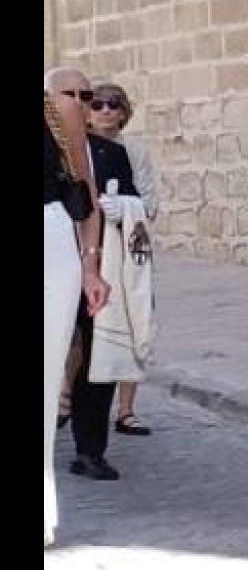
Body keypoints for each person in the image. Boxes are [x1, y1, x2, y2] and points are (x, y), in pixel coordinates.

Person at [44, 69, 112, 547]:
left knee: (46, 382)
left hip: (51, 245)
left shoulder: (56, 110)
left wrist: (91, 267)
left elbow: (84, 195)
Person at [67, 99, 142, 483]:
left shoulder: (111, 152)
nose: (81, 104)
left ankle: (90, 450)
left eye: (86, 95)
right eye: (74, 95)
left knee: (100, 357)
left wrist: (122, 207)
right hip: (56, 266)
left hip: (99, 270)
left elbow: (136, 201)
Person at [87, 81, 159, 437]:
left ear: (124, 110)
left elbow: (151, 203)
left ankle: (126, 409)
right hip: (89, 248)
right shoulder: (78, 149)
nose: (105, 111)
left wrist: (125, 209)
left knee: (132, 320)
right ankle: (69, 396)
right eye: (97, 104)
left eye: (113, 104)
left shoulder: (133, 150)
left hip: (129, 247)